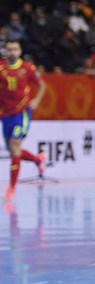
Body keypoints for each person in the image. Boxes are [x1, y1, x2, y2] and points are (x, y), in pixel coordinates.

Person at [0, 41, 47, 201]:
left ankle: (11, 189)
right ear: (5, 51)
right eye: (9, 49)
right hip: (5, 114)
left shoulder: (27, 67)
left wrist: (36, 100)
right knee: (13, 150)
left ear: (20, 51)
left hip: (22, 113)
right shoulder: (1, 67)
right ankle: (38, 160)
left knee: (14, 147)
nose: (12, 52)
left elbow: (42, 85)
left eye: (15, 49)